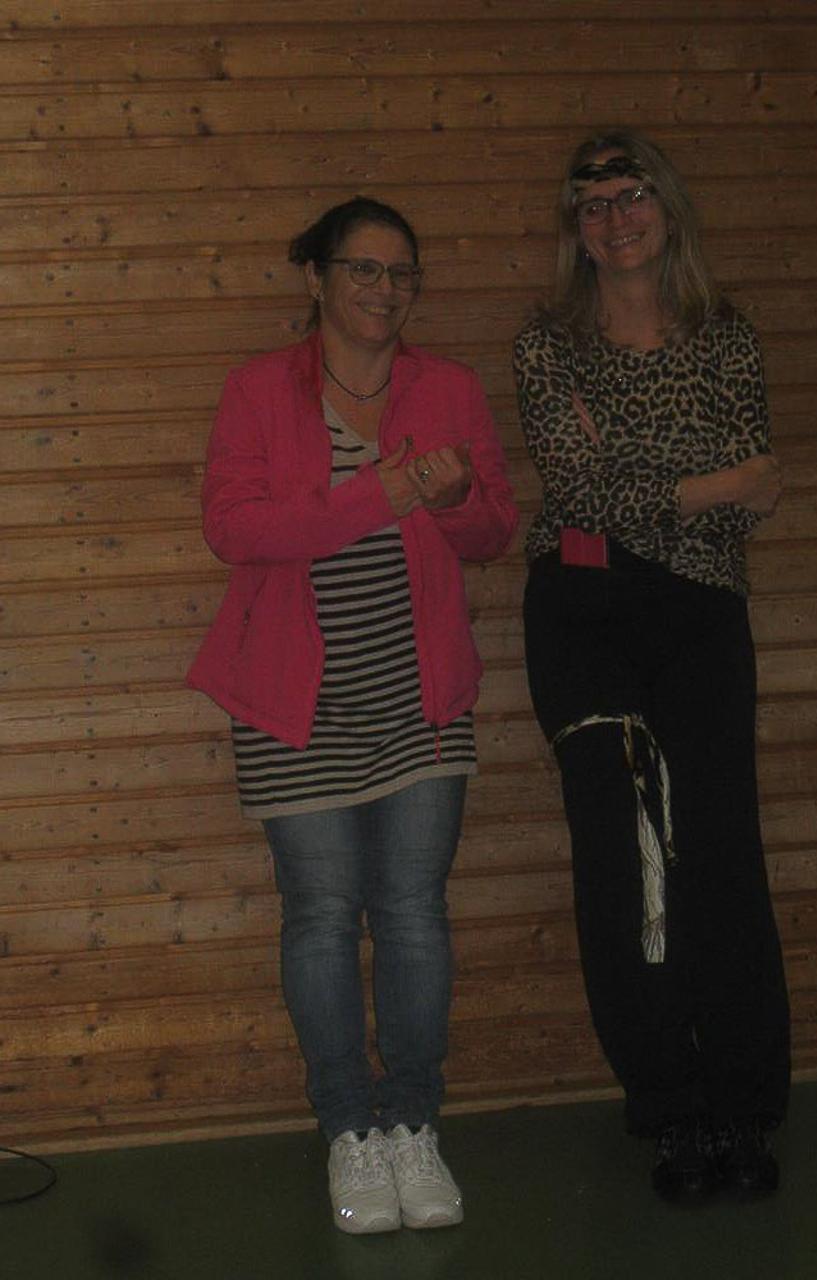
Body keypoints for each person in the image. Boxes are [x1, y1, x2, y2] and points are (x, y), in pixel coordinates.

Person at [187, 197, 518, 1234]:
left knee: (414, 913)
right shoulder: (257, 390)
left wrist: (452, 497)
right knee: (322, 917)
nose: (384, 289)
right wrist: (386, 491)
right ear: (318, 279)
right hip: (294, 705)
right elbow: (236, 528)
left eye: (401, 273)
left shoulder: (449, 388)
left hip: (422, 697)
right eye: (363, 269)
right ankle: (348, 1131)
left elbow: (494, 532)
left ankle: (413, 1122)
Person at [513, 129, 791, 1202]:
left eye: (632, 197)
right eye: (593, 205)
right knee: (624, 859)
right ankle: (670, 1109)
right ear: (575, 229)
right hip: (582, 611)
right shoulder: (547, 346)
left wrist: (653, 483)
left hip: (702, 609)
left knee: (719, 849)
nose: (615, 218)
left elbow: (752, 497)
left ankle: (742, 1106)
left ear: (668, 209)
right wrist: (713, 482)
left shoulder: (728, 336)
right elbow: (581, 493)